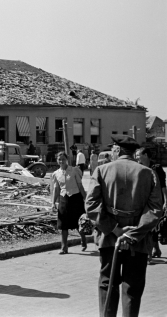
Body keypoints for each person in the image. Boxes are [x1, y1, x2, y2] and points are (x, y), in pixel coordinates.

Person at [86, 135, 162, 317]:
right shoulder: (148, 173)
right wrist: (133, 234)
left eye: (112, 149)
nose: (111, 152)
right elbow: (156, 209)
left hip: (109, 238)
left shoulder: (101, 171)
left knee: (108, 283)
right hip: (139, 240)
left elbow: (91, 205)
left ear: (117, 150)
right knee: (133, 287)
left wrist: (114, 229)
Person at [51, 151, 88, 254]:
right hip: (64, 199)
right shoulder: (56, 174)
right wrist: (53, 203)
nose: (61, 161)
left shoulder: (75, 170)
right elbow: (56, 189)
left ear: (67, 159)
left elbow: (80, 186)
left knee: (78, 223)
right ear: (57, 161)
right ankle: (64, 247)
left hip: (76, 199)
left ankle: (83, 239)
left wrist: (86, 199)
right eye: (59, 159)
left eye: (63, 159)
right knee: (63, 224)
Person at [135, 147, 167, 261]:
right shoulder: (138, 168)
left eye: (139, 155)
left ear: (146, 155)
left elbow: (163, 186)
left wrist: (166, 201)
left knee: (153, 226)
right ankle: (153, 250)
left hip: (156, 201)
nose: (136, 157)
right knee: (148, 226)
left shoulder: (157, 168)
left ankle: (151, 251)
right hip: (143, 201)